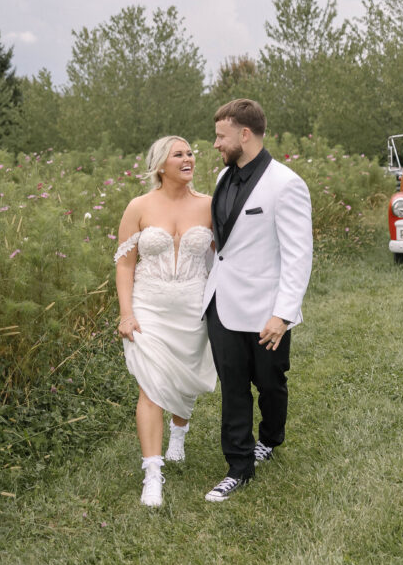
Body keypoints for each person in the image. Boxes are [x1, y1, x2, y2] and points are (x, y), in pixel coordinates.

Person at [202, 99, 313, 503]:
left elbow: (299, 255)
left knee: (270, 382)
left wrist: (282, 315)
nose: (215, 144)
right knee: (232, 386)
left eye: (221, 136)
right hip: (222, 302)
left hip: (267, 308)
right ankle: (238, 465)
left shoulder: (286, 184)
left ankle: (270, 437)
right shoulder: (221, 176)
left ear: (243, 134)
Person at [115, 136, 216, 507]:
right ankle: (152, 474)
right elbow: (124, 263)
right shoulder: (138, 207)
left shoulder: (209, 205)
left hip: (192, 305)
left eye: (190, 153)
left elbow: (224, 259)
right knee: (152, 385)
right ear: (161, 165)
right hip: (149, 308)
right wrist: (127, 313)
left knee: (183, 378)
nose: (188, 159)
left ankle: (179, 436)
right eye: (180, 154)